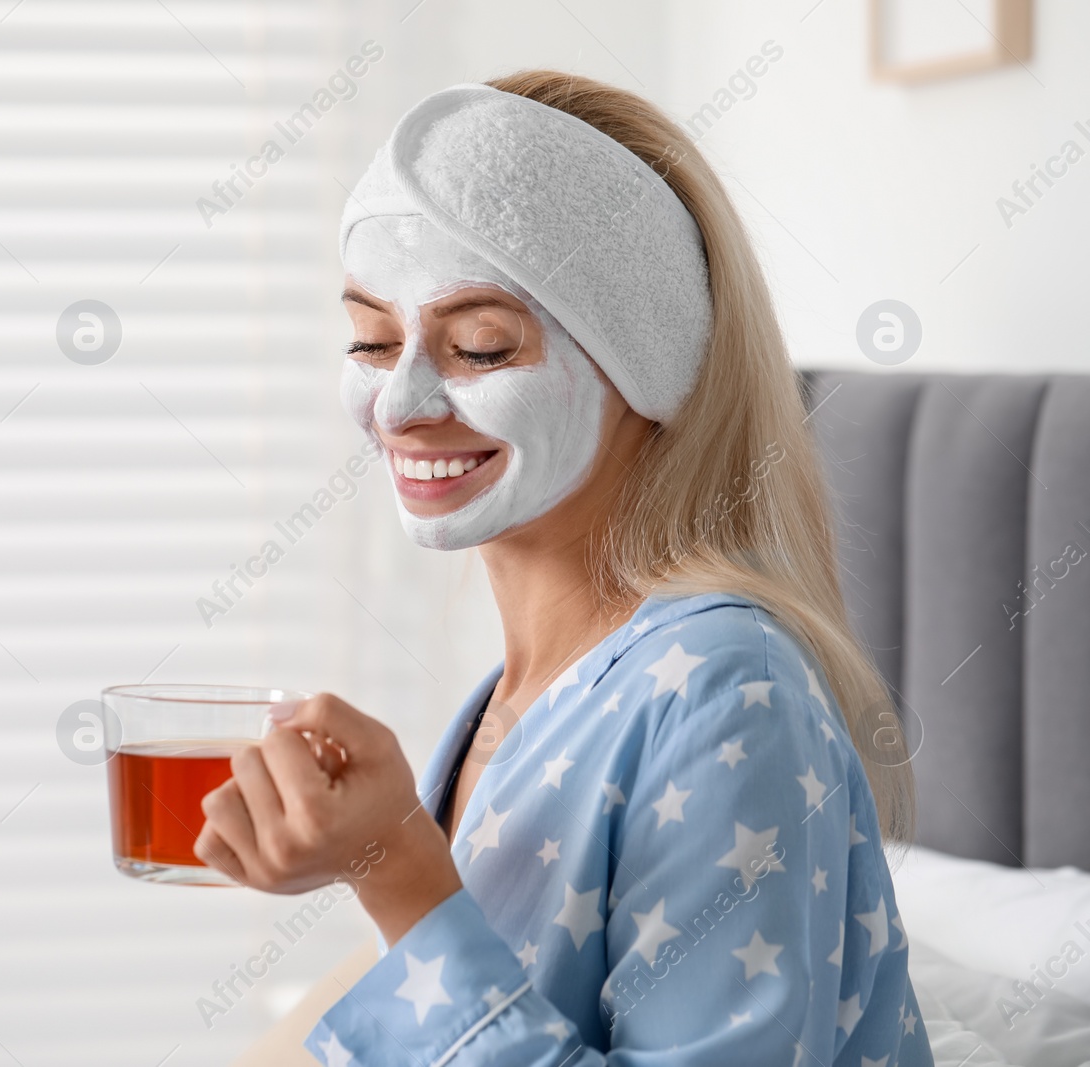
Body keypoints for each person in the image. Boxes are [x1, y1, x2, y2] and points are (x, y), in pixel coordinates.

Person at [194, 71, 934, 1067]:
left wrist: (392, 866)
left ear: (644, 367)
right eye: (370, 339)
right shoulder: (515, 696)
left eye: (481, 347)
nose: (399, 403)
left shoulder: (726, 686)